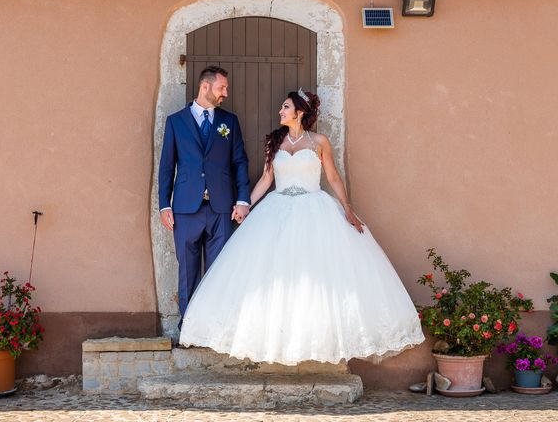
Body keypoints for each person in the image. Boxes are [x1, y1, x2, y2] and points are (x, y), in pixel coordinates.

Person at [179, 89, 424, 365]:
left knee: (315, 276)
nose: (280, 111)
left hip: (314, 209)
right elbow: (265, 180)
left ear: (300, 112)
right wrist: (245, 204)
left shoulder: (319, 142)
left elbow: (332, 176)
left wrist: (347, 209)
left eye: (285, 107)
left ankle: (315, 341)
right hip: (277, 210)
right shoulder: (275, 142)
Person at [158, 66, 250, 321]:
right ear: (205, 86)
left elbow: (240, 162)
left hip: (221, 208)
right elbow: (167, 165)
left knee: (218, 270)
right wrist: (164, 205)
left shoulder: (229, 122)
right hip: (186, 209)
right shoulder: (176, 122)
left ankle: (214, 326)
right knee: (187, 270)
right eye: (222, 88)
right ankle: (188, 325)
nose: (226, 93)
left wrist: (242, 199)